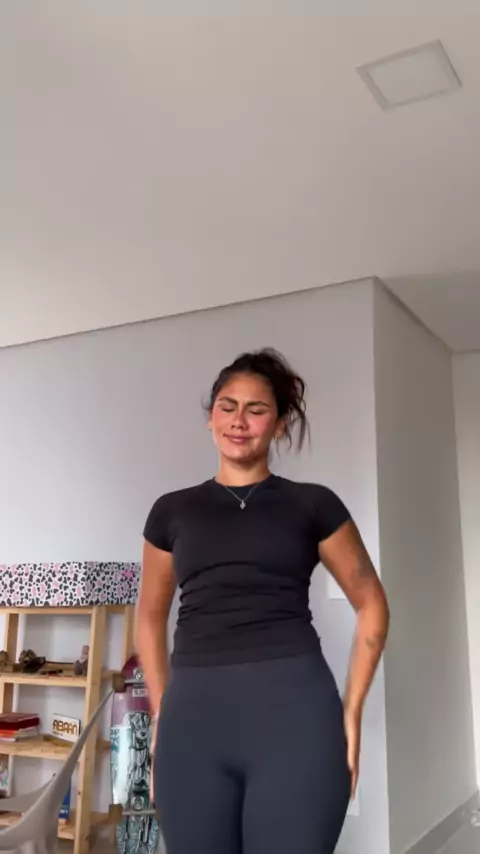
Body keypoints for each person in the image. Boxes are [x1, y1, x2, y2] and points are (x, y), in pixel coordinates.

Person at [135, 347, 390, 854]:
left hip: (297, 717)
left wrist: (352, 711)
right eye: (227, 406)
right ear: (210, 416)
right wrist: (164, 712)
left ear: (279, 424)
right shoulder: (172, 512)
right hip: (193, 723)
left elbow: (372, 604)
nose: (239, 421)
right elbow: (148, 616)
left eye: (257, 410)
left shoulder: (313, 504)